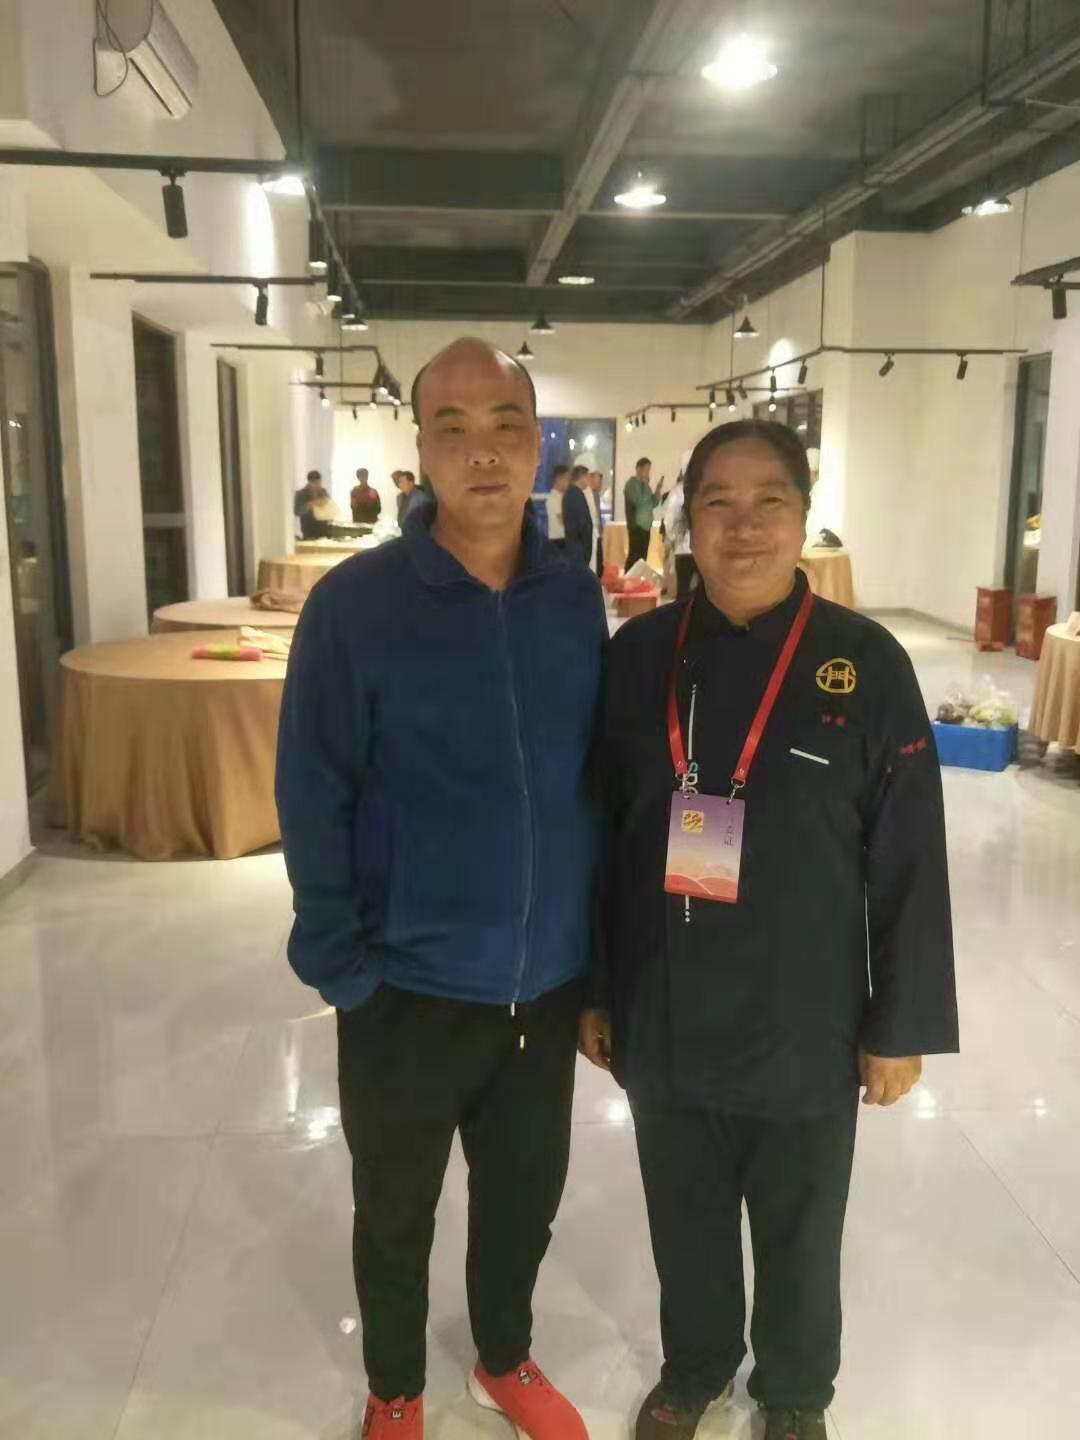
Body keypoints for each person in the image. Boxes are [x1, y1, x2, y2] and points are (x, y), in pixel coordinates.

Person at [581, 419, 958, 1440]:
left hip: (807, 1012)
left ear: (803, 517)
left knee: (800, 1223)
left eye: (769, 503)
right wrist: (598, 990)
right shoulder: (639, 656)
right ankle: (697, 1364)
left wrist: (900, 1025)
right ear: (685, 519)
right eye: (719, 502)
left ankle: (794, 1391)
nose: (743, 527)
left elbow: (909, 855)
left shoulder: (864, 661)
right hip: (664, 998)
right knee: (684, 1211)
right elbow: (602, 836)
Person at [277, 338, 605, 1440]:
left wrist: (593, 959)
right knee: (394, 1210)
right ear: (420, 447)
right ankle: (396, 1388)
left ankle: (503, 1358)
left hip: (543, 984)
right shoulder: (356, 605)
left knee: (523, 1200)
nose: (484, 452)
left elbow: (594, 778)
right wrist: (343, 965)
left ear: (537, 442)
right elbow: (311, 789)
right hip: (405, 985)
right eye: (453, 428)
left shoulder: (571, 598)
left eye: (506, 424)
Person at [623, 456, 663, 572]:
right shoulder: (631, 485)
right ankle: (628, 578)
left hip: (646, 526)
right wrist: (645, 485)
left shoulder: (645, 486)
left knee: (643, 557)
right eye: (646, 469)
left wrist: (657, 490)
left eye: (649, 470)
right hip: (636, 526)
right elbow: (639, 501)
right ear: (638, 469)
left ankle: (637, 578)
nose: (648, 473)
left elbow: (653, 503)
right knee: (634, 556)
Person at [663, 474, 697, 599]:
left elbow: (669, 521)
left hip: (682, 548)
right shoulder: (703, 488)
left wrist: (672, 539)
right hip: (701, 548)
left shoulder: (677, 493)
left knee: (683, 588)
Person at [562, 463, 594, 568]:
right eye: (587, 477)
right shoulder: (575, 495)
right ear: (581, 477)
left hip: (574, 545)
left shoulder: (571, 493)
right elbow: (582, 522)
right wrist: (586, 547)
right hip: (579, 547)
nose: (589, 481)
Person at [294, 469, 331, 539]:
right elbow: (297, 511)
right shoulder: (300, 494)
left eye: (318, 482)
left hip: (324, 529)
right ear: (309, 481)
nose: (316, 485)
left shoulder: (323, 492)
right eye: (314, 482)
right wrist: (310, 504)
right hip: (309, 530)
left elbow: (330, 507)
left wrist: (325, 504)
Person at [546, 463, 570, 549]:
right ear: (559, 479)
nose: (568, 483)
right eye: (567, 479)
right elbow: (562, 519)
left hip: (565, 538)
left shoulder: (563, 496)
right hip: (558, 540)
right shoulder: (553, 498)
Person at [588, 469, 606, 576]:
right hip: (591, 534)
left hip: (597, 533)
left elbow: (598, 515)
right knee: (595, 562)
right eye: (599, 481)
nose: (600, 485)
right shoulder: (588, 495)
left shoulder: (596, 495)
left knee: (599, 562)